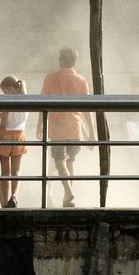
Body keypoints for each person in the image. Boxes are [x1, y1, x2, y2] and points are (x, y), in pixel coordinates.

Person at [41, 47, 93, 208]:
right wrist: (92, 133)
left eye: (59, 58)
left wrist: (40, 124)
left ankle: (69, 191)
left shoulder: (51, 78)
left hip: (57, 126)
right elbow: (87, 109)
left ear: (62, 60)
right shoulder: (81, 80)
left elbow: (42, 103)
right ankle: (67, 197)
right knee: (71, 161)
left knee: (59, 161)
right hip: (75, 126)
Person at [0, 76, 29, 208]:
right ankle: (14, 197)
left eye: (4, 91)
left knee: (5, 173)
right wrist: (3, 114)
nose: (4, 94)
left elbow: (3, 127)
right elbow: (17, 117)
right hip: (20, 136)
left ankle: (4, 203)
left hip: (6, 137)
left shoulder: (7, 102)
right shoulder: (26, 99)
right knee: (16, 171)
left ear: (10, 89)